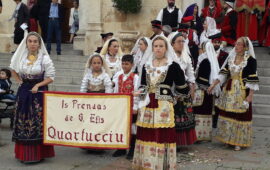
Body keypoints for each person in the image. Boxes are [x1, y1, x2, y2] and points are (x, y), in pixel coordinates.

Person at [132, 35, 189, 169]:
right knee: (146, 133)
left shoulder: (173, 65)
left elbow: (183, 88)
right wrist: (137, 96)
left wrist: (174, 98)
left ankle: (160, 165)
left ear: (166, 48)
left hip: (163, 106)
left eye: (161, 46)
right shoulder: (146, 65)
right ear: (152, 48)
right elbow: (142, 86)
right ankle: (146, 164)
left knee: (161, 134)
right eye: (156, 46)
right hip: (146, 105)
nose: (158, 49)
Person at [10, 32, 55, 163]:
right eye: (30, 41)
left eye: (35, 41)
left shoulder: (44, 58)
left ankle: (37, 154)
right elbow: (13, 68)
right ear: (26, 43)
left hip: (38, 94)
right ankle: (23, 154)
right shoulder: (21, 56)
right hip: (24, 92)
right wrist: (19, 81)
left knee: (37, 121)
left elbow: (51, 77)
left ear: (39, 44)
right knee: (23, 120)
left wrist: (38, 85)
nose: (32, 44)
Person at [208, 37, 259, 151]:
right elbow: (223, 74)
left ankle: (238, 141)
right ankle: (227, 139)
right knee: (227, 114)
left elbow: (252, 79)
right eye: (236, 44)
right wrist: (213, 85)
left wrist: (250, 95)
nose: (236, 46)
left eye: (239, 44)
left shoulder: (250, 60)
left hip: (242, 91)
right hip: (229, 90)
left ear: (245, 47)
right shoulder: (231, 58)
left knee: (240, 115)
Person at [170, 32, 197, 146]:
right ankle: (172, 140)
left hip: (184, 89)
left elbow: (190, 73)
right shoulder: (169, 57)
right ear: (172, 44)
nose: (181, 44)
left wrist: (192, 88)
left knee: (183, 114)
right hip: (172, 88)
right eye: (179, 41)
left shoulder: (186, 56)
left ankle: (182, 141)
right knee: (173, 115)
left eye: (183, 41)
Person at [112, 55, 139, 159]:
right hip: (121, 106)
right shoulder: (119, 76)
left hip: (131, 106)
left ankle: (132, 149)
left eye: (127, 64)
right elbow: (116, 91)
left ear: (132, 65)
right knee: (121, 127)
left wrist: (135, 107)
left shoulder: (135, 77)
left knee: (132, 128)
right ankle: (121, 148)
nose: (124, 66)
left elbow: (136, 92)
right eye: (123, 63)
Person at [192, 41, 220, 142]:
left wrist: (194, 83)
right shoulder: (211, 60)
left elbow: (202, 79)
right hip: (208, 93)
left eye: (201, 48)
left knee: (199, 113)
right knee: (206, 114)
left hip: (202, 92)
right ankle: (205, 135)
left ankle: (198, 136)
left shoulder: (205, 61)